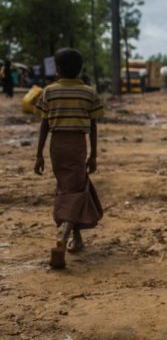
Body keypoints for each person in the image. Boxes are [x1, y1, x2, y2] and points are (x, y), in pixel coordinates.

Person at [33, 48, 104, 269]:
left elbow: (44, 124)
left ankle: (77, 238)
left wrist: (39, 155)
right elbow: (93, 126)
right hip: (77, 145)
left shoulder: (49, 91)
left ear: (59, 69)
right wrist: (93, 154)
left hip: (57, 146)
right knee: (76, 190)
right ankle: (63, 240)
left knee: (67, 187)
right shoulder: (89, 93)